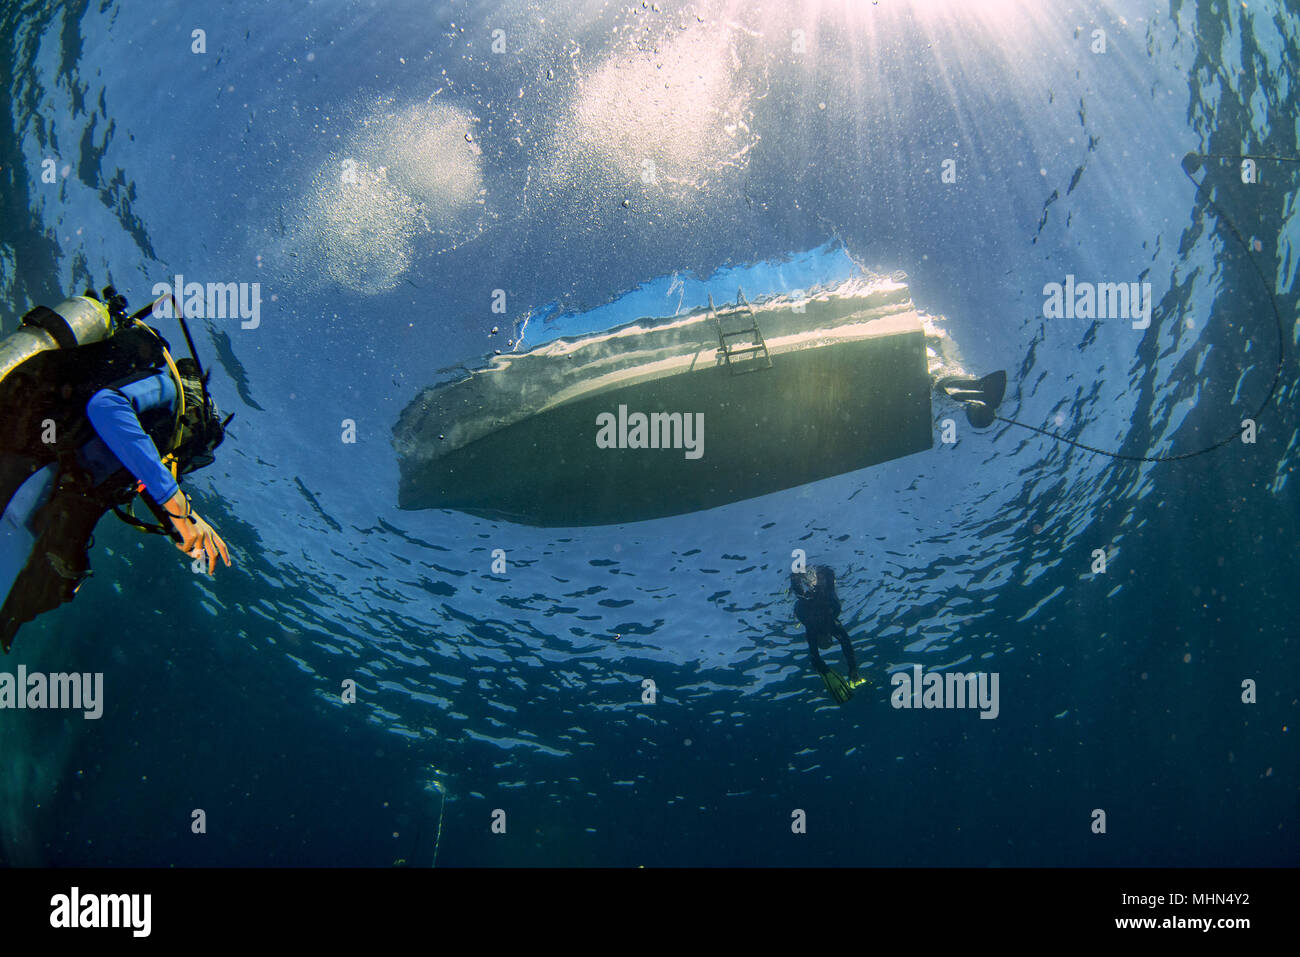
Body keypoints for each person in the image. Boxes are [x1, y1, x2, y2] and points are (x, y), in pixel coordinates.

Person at [0, 287, 231, 652]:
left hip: (40, 450)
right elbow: (106, 406)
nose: (188, 462)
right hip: (26, 431)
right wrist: (176, 506)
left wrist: (182, 518)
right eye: (199, 454)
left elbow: (133, 472)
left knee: (63, 567)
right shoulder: (172, 393)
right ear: (201, 423)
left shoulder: (153, 441)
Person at [790, 565, 866, 705]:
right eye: (828, 640)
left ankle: (796, 576)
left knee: (801, 596)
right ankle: (825, 575)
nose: (824, 638)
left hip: (807, 608)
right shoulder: (834, 627)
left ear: (819, 641)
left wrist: (823, 668)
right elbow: (847, 646)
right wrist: (853, 669)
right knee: (832, 602)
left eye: (822, 642)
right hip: (824, 606)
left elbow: (815, 656)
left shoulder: (812, 633)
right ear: (831, 637)